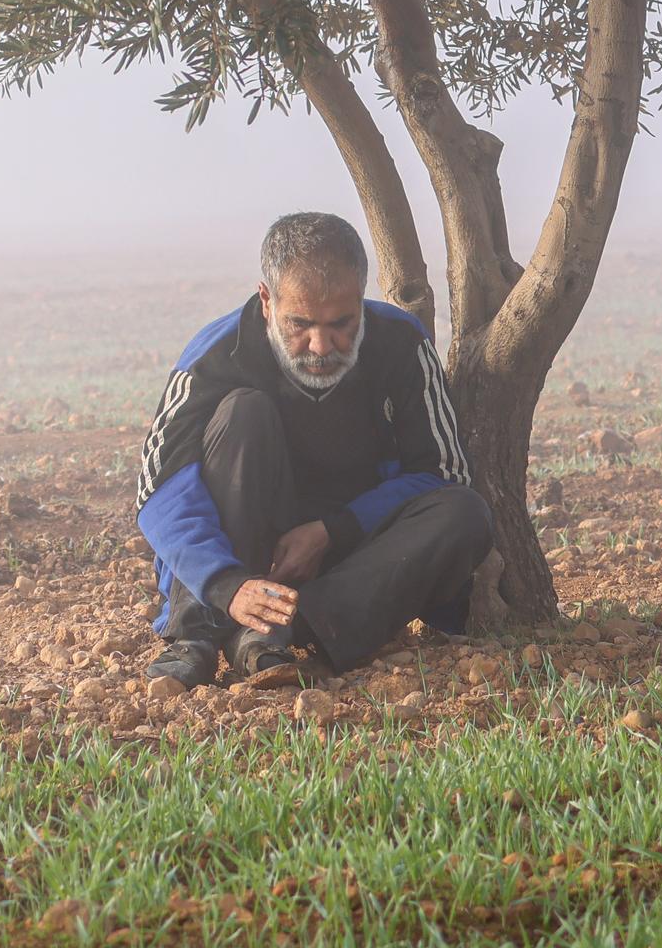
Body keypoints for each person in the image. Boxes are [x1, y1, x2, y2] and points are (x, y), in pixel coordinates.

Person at [132, 211, 496, 685]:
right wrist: (228, 583)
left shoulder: (401, 344)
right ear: (267, 301)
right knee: (244, 411)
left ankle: (290, 628)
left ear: (362, 302)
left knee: (464, 512)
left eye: (341, 323)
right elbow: (159, 488)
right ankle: (199, 634)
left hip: (346, 560)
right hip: (240, 559)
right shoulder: (218, 353)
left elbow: (444, 472)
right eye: (300, 323)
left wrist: (332, 530)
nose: (321, 345)